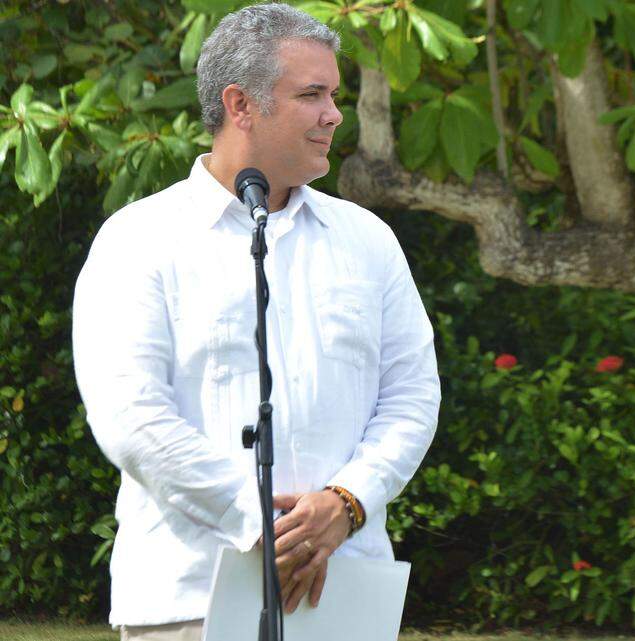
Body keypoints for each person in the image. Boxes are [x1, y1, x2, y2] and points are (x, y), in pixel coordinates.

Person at [72, 4, 441, 639]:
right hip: (191, 600)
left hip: (345, 599)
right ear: (240, 104)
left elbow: (412, 396)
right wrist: (264, 527)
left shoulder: (368, 241)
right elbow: (131, 417)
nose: (334, 114)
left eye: (334, 94)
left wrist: (345, 505)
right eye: (312, 94)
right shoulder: (137, 240)